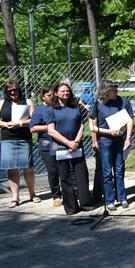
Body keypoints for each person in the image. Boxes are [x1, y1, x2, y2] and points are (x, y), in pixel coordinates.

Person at [47, 81, 94, 215]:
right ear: (56, 93)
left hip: (77, 146)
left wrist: (77, 140)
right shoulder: (51, 109)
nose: (66, 93)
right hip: (60, 147)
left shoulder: (76, 107)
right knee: (65, 177)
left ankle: (86, 203)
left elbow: (81, 125)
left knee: (81, 174)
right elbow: (51, 131)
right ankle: (71, 207)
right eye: (62, 91)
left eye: (67, 91)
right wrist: (68, 143)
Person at [89, 80, 134, 211]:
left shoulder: (123, 101)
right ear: (106, 91)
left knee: (119, 169)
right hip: (105, 140)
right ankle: (109, 200)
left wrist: (128, 138)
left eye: (116, 89)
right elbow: (92, 126)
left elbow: (129, 120)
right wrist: (105, 134)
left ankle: (122, 197)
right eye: (113, 90)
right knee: (107, 171)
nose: (116, 92)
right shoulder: (98, 104)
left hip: (120, 139)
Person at [0, 80, 38, 208]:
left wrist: (20, 124)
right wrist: (5, 124)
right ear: (6, 92)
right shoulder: (1, 103)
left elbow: (34, 120)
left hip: (24, 138)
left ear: (19, 89)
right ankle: (15, 198)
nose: (12, 92)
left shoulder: (27, 102)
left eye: (14, 89)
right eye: (9, 90)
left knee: (28, 168)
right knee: (11, 169)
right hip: (7, 139)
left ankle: (32, 194)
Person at [29, 87, 61, 207]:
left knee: (65, 169)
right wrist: (49, 127)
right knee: (53, 171)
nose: (51, 97)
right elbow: (32, 128)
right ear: (42, 97)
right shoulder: (39, 110)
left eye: (53, 95)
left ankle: (71, 193)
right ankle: (56, 195)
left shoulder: (58, 106)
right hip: (47, 144)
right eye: (48, 95)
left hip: (62, 143)